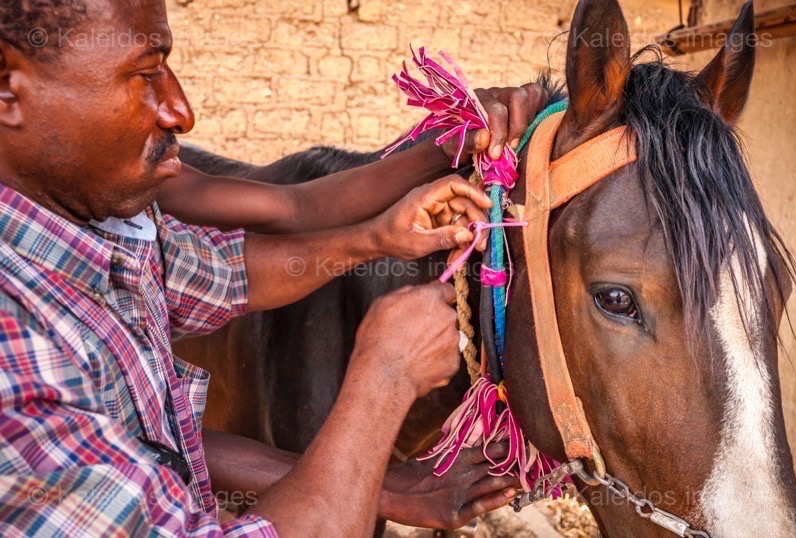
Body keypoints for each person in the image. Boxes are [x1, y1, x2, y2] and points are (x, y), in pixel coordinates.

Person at [0, 1, 546, 536]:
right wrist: (384, 378)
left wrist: (378, 237)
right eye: (144, 73)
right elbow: (289, 209)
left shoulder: (86, 224)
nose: (181, 111)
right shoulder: (15, 356)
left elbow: (224, 275)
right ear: (7, 86)